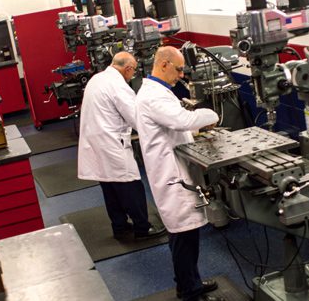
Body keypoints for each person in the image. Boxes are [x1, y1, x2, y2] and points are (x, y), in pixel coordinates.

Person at [135, 46, 224, 301]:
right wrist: (211, 114)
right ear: (163, 64)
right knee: (184, 235)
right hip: (172, 176)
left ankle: (189, 282)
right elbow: (182, 121)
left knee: (185, 233)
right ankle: (190, 291)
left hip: (174, 170)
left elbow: (176, 125)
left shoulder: (158, 92)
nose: (181, 75)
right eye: (179, 69)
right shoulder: (154, 96)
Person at [78, 51, 166, 240]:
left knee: (109, 185)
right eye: (133, 71)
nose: (132, 75)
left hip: (95, 141)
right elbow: (137, 118)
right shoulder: (118, 86)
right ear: (127, 69)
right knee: (131, 185)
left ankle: (119, 226)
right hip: (111, 143)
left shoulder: (97, 78)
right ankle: (143, 228)